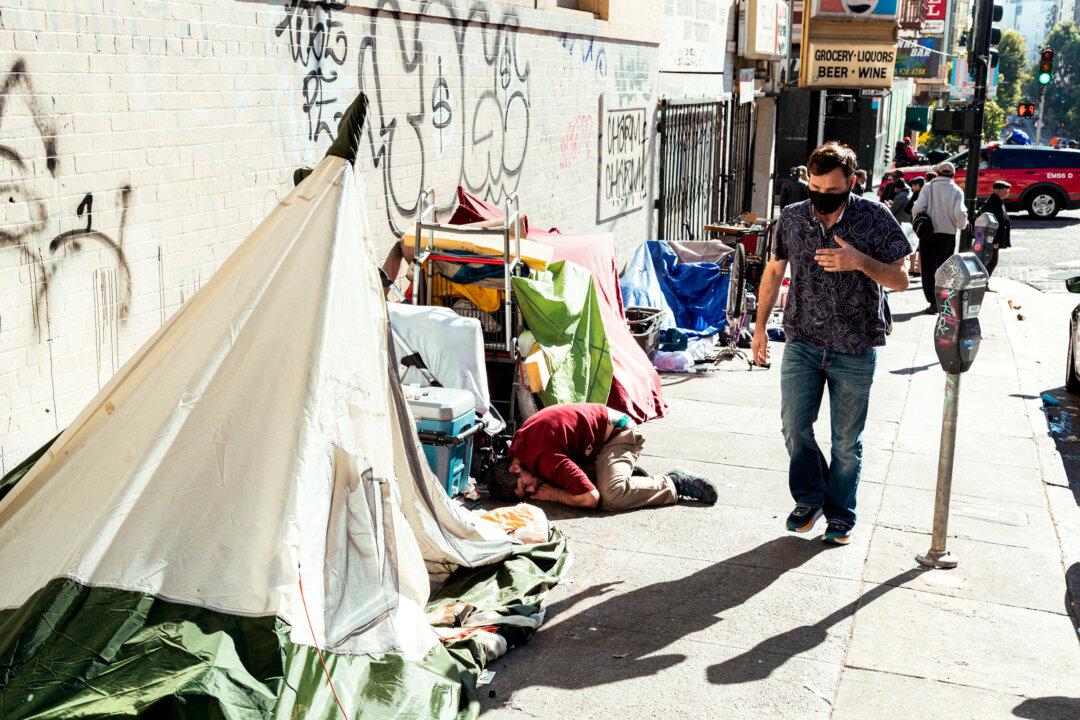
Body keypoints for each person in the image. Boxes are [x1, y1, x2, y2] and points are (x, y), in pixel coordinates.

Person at [752, 142, 911, 545]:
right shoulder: (790, 218)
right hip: (802, 340)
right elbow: (773, 273)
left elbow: (902, 278)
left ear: (852, 183)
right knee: (794, 426)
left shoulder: (875, 217)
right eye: (816, 188)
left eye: (832, 190)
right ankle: (809, 497)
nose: (822, 197)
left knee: (846, 442)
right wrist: (758, 328)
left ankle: (841, 514)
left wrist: (860, 261)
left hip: (855, 347)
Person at [486, 403, 718, 511]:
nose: (532, 492)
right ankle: (624, 477)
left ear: (514, 469)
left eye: (525, 487)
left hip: (619, 434)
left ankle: (672, 483)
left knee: (610, 497)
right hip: (594, 442)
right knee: (565, 484)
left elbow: (590, 498)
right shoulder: (519, 452)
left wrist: (554, 495)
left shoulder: (542, 457)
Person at [912, 161, 968, 314]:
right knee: (945, 269)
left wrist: (919, 219)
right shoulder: (956, 190)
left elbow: (917, 207)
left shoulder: (928, 187)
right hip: (948, 234)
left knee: (929, 268)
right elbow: (960, 214)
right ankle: (943, 300)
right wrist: (961, 226)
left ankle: (932, 302)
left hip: (928, 234)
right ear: (953, 175)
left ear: (938, 173)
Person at [977, 180, 1012, 278]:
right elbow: (992, 223)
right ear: (1000, 191)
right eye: (1006, 190)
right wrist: (994, 240)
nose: (1008, 192)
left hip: (992, 240)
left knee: (991, 261)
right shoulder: (994, 203)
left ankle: (984, 283)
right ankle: (984, 283)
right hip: (992, 241)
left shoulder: (997, 201)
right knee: (990, 262)